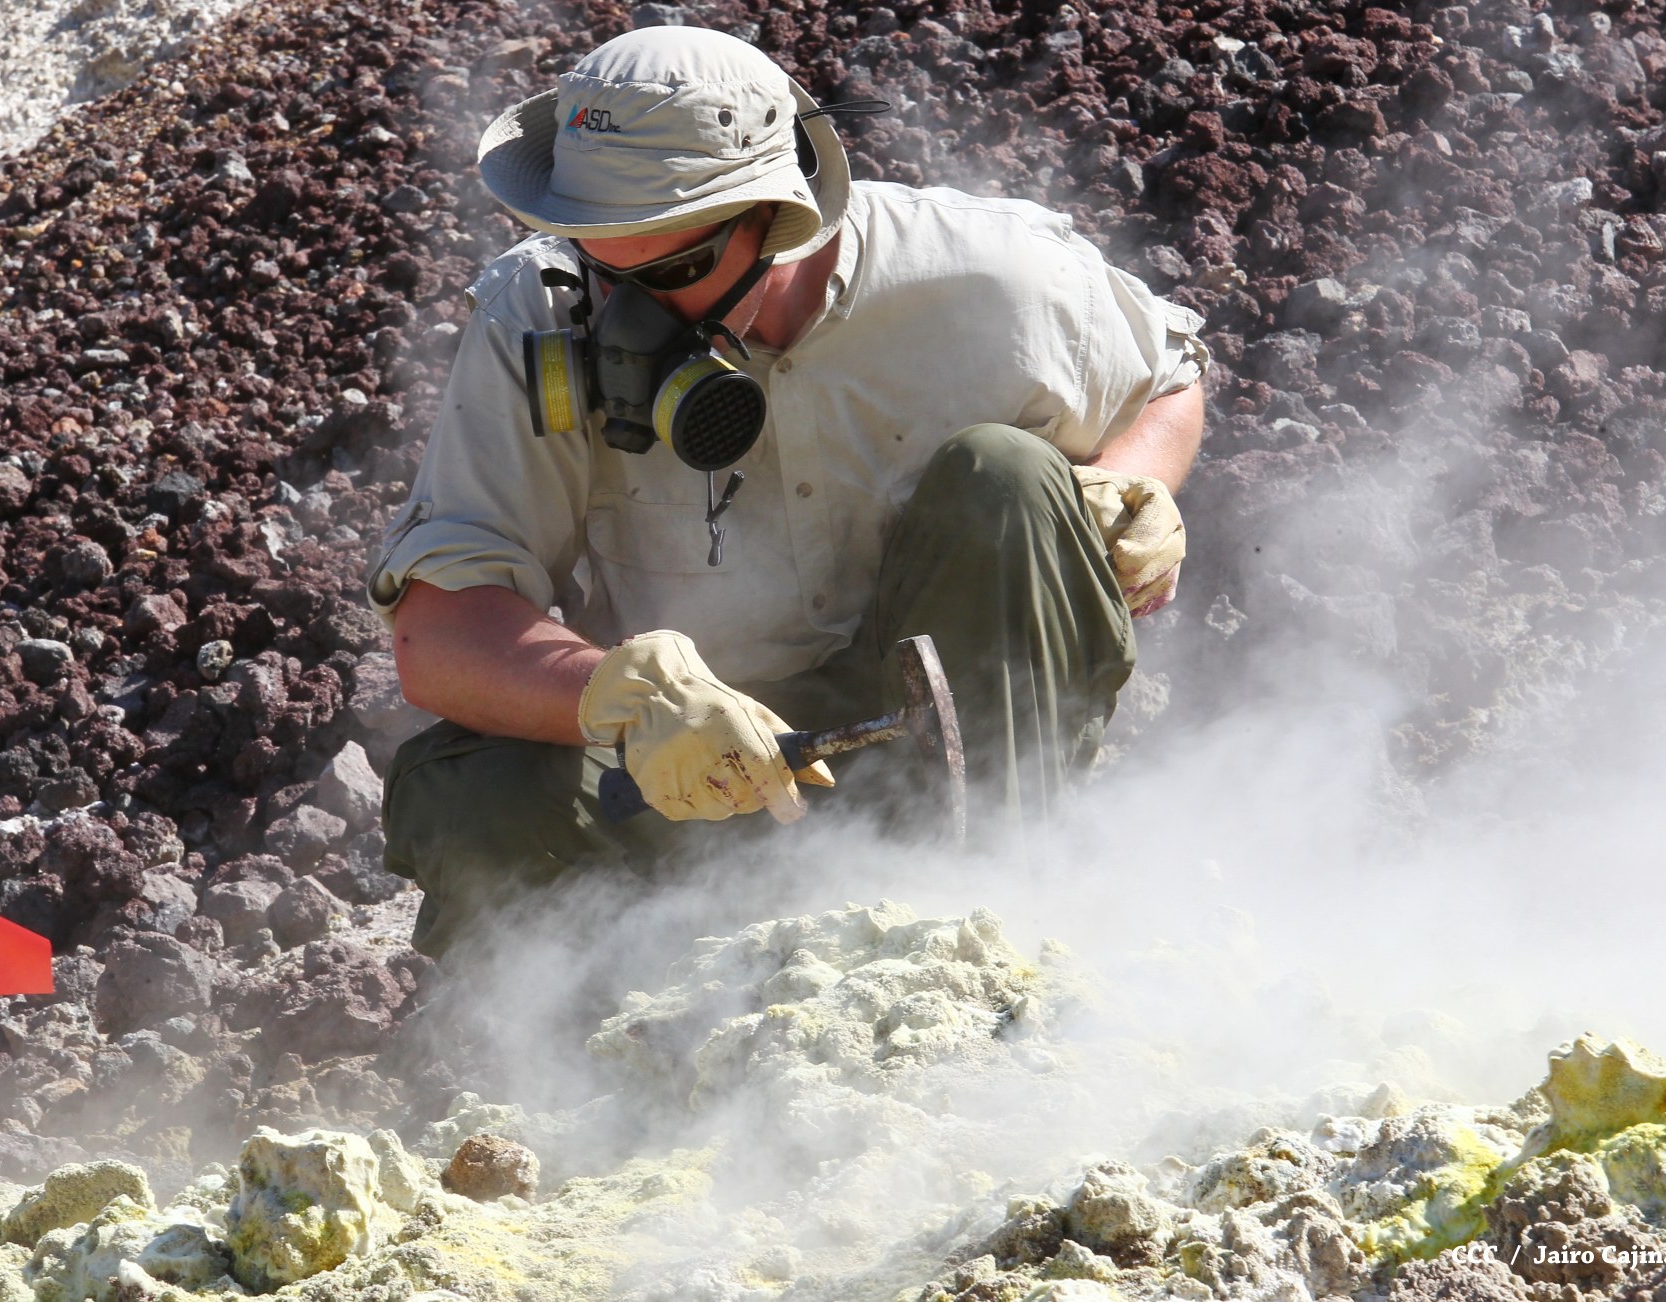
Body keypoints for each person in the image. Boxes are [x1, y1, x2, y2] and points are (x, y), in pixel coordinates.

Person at [369, 26, 1209, 958]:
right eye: (602, 265)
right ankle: (614, 1024)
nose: (624, 314)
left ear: (778, 219)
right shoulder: (540, 313)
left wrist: (1131, 487)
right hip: (696, 764)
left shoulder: (989, 277)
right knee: (470, 795)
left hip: (954, 731)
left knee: (1007, 474)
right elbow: (440, 636)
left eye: (672, 272)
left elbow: (1169, 376)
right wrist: (622, 698)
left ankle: (998, 924)